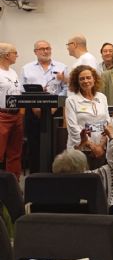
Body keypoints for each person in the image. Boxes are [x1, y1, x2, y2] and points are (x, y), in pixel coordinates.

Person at [52, 124, 113, 210]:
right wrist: (112, 137)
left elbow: (70, 163)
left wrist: (81, 145)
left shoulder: (53, 185)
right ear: (83, 168)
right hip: (103, 220)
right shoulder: (93, 179)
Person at [21, 40, 67, 172]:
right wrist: (34, 106)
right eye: (42, 49)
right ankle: (35, 177)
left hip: (55, 111)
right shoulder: (26, 68)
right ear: (35, 52)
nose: (45, 51)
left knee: (55, 145)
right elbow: (21, 91)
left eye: (48, 48)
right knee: (34, 145)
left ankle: (54, 176)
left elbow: (66, 89)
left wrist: (54, 106)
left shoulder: (62, 67)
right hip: (33, 112)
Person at [65, 65, 110, 150]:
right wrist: (92, 147)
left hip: (102, 148)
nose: (86, 81)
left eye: (88, 77)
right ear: (77, 82)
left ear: (94, 79)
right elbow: (73, 128)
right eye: (82, 79)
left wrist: (100, 146)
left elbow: (107, 123)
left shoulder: (102, 97)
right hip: (80, 149)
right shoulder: (71, 100)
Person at [0, 43, 23, 179]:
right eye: (15, 53)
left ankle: (13, 184)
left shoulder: (13, 72)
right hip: (2, 115)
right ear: (7, 55)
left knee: (15, 153)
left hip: (16, 115)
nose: (17, 55)